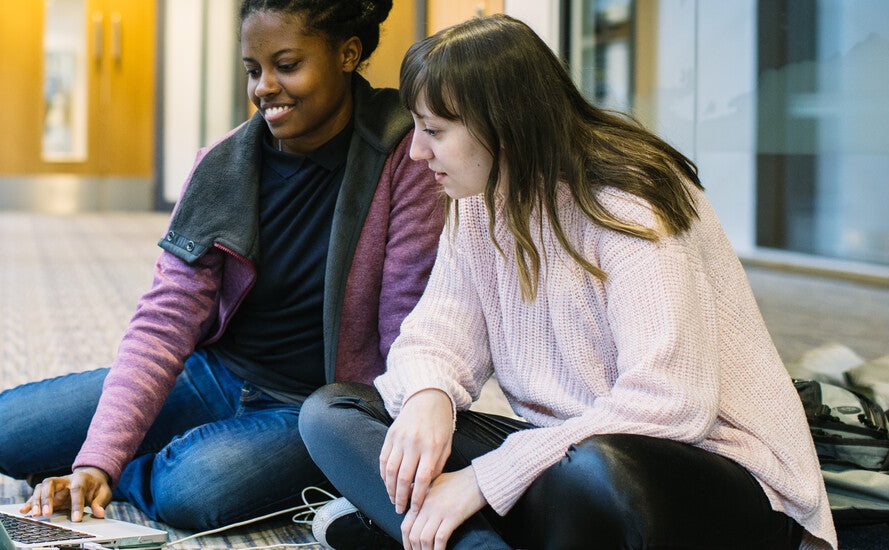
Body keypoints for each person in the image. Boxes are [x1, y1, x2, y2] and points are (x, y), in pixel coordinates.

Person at [299, 14, 839, 550]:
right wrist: (428, 396)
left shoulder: (630, 199)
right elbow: (436, 335)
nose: (417, 151)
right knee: (332, 414)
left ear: (501, 124)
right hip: (560, 454)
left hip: (709, 470)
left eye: (434, 131)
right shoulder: (477, 201)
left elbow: (671, 404)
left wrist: (486, 479)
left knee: (593, 473)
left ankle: (419, 524)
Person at [0, 0, 444, 532]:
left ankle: (154, 467)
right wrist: (97, 455)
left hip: (315, 407)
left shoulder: (405, 154)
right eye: (253, 69)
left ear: (347, 54)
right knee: (4, 431)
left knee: (193, 489)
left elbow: (409, 322)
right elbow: (165, 319)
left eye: (286, 66)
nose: (263, 87)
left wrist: (380, 443)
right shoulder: (223, 165)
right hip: (219, 375)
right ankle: (153, 452)